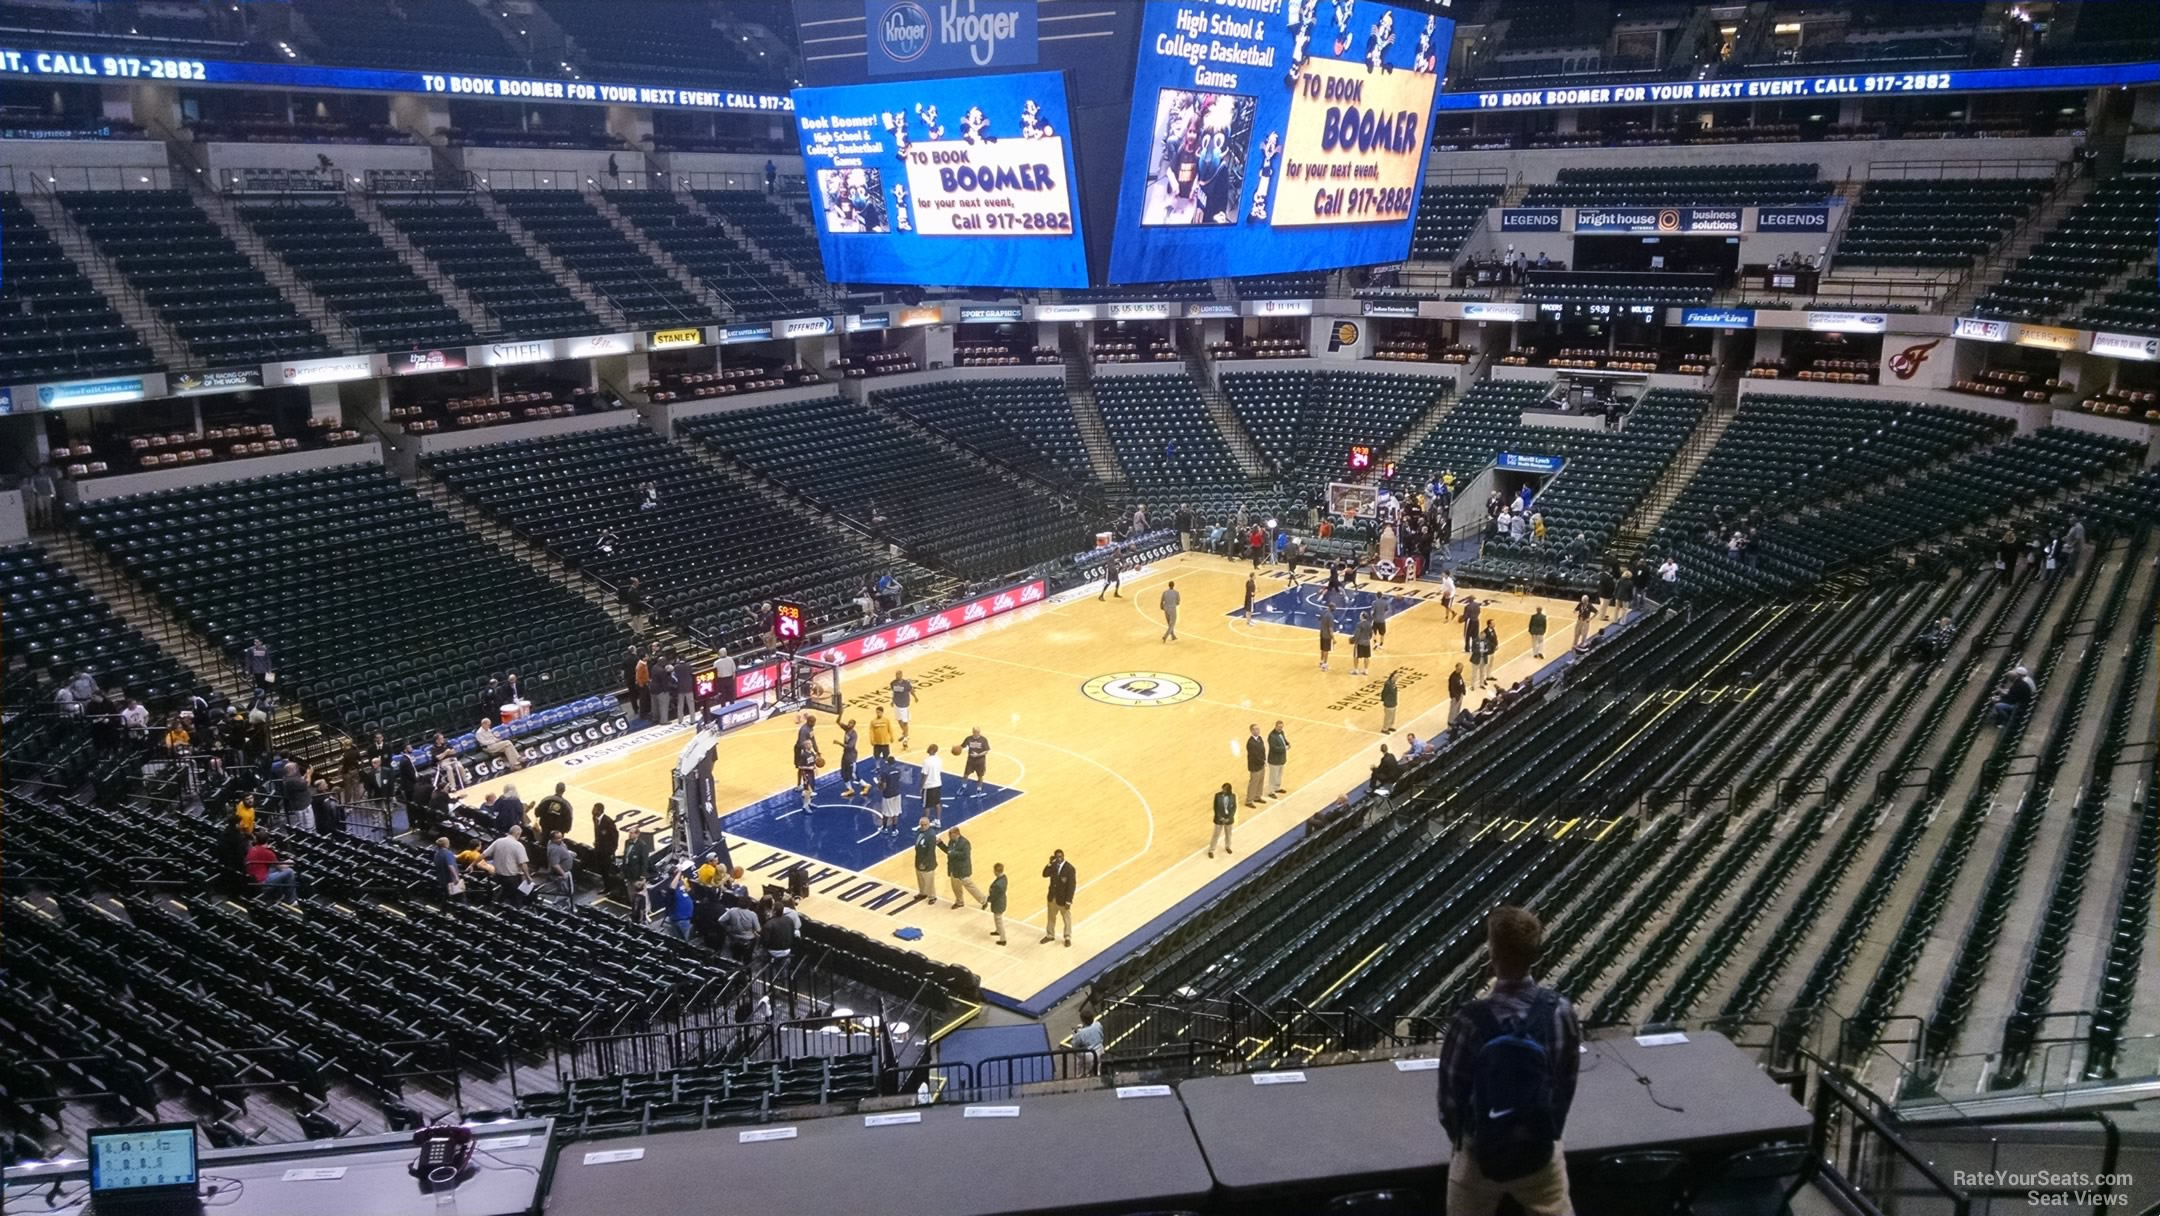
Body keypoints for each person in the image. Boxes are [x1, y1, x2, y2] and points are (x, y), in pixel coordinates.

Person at [1438, 906, 1582, 1216]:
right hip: (1539, 1151)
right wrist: (1548, 1132)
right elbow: (1565, 1085)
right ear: (1536, 954)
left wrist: (1468, 1142)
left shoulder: (1467, 1021)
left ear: (1492, 953)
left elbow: (1450, 1102)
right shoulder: (1562, 1012)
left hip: (1480, 1156)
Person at [939, 826, 987, 908]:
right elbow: (948, 852)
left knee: (970, 886)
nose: (949, 837)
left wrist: (953, 853)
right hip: (954, 869)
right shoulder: (951, 841)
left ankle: (983, 900)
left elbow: (965, 855)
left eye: (951, 835)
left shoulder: (965, 843)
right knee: (956, 887)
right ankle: (959, 902)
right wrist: (940, 844)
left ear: (956, 834)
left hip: (962, 869)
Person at [485, 825, 531, 903]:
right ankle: (516, 912)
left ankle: (495, 906)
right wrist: (528, 877)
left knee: (505, 891)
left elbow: (484, 854)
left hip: (498, 875)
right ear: (518, 834)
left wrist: (471, 865)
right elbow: (523, 863)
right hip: (511, 876)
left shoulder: (499, 841)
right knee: (517, 895)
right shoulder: (518, 845)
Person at [245, 832, 297, 900]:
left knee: (275, 869)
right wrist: (289, 863)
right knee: (289, 871)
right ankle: (291, 900)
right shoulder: (268, 853)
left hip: (252, 878)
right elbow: (280, 866)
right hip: (262, 881)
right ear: (268, 840)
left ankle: (279, 896)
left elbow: (276, 866)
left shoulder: (252, 849)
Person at [1041, 848, 1076, 946]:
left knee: (1066, 919)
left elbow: (1071, 886)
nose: (1059, 859)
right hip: (1052, 897)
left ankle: (1067, 937)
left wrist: (1069, 901)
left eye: (1060, 857)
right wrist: (1049, 864)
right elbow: (1044, 874)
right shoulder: (1053, 866)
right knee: (1051, 918)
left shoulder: (1069, 869)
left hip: (1063, 899)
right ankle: (1050, 935)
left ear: (1063, 856)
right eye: (1057, 857)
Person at [589, 803, 621, 897]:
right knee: (602, 869)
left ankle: (610, 888)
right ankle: (606, 887)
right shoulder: (594, 818)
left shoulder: (608, 822)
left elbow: (615, 836)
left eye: (594, 809)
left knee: (607, 870)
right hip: (599, 848)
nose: (592, 811)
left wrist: (612, 850)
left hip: (607, 851)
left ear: (600, 810)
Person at [717, 898, 760, 964]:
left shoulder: (732, 910)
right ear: (749, 905)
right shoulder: (752, 914)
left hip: (734, 939)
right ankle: (746, 973)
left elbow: (720, 920)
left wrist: (727, 928)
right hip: (748, 940)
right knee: (747, 960)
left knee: (735, 959)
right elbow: (758, 929)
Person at [911, 816, 943, 898]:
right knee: (920, 879)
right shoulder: (919, 832)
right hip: (918, 859)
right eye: (921, 825)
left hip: (928, 862)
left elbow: (931, 851)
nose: (923, 826)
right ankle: (922, 893)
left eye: (925, 824)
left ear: (929, 824)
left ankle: (932, 896)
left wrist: (925, 863)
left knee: (929, 881)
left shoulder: (931, 835)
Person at [1071, 1003, 1106, 1075]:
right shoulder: (1098, 1024)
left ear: (1082, 1019)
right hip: (1100, 1051)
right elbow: (1102, 1036)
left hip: (1088, 1056)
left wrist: (1075, 1035)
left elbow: (1074, 1046)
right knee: (1097, 1071)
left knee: (1082, 1073)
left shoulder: (1080, 1034)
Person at [956, 726, 990, 798]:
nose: (977, 733)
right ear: (973, 732)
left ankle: (979, 789)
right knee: (965, 775)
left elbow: (986, 751)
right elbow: (962, 746)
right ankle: (963, 787)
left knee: (980, 776)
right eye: (975, 732)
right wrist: (957, 749)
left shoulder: (983, 740)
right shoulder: (968, 739)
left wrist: (978, 755)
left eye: (978, 732)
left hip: (980, 761)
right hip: (970, 760)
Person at [837, 718, 867, 796]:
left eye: (851, 723)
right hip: (845, 755)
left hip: (851, 756)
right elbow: (838, 722)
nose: (849, 724)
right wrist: (840, 713)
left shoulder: (854, 734)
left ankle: (865, 785)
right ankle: (850, 789)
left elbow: (850, 747)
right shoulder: (846, 729)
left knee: (853, 775)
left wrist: (839, 743)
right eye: (849, 722)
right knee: (843, 773)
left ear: (854, 725)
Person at [621, 823, 653, 893]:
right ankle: (632, 903)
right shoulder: (627, 842)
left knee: (639, 893)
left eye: (632, 833)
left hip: (637, 873)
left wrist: (643, 875)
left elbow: (644, 861)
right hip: (628, 872)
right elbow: (625, 856)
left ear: (637, 834)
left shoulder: (642, 845)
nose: (630, 834)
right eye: (629, 833)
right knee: (630, 892)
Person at [1209, 781, 1237, 858]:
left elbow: (1234, 808)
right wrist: (1221, 817)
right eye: (1222, 789)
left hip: (1229, 819)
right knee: (1216, 835)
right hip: (1219, 819)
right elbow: (1216, 808)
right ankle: (1211, 850)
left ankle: (1228, 847)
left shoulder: (1233, 796)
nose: (1222, 791)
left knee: (1228, 835)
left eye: (1224, 790)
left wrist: (1229, 818)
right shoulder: (1217, 796)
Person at [544, 830, 576, 898]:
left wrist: (568, 853)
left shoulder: (557, 843)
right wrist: (563, 874)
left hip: (565, 872)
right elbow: (555, 865)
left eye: (561, 837)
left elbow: (562, 850)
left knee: (564, 892)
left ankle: (561, 904)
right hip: (561, 874)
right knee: (566, 892)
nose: (561, 839)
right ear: (552, 839)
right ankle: (559, 905)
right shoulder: (554, 849)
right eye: (558, 838)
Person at [889, 671, 916, 748]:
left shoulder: (906, 684)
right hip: (897, 704)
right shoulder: (892, 683)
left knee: (905, 722)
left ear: (901, 675)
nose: (897, 676)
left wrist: (915, 697)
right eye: (896, 674)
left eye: (898, 674)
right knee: (899, 720)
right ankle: (905, 734)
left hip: (904, 705)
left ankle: (905, 739)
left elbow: (911, 691)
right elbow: (894, 693)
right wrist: (892, 701)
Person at [878, 759, 905, 832]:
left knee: (886, 813)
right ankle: (894, 830)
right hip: (897, 793)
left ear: (887, 762)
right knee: (895, 813)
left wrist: (879, 786)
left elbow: (884, 786)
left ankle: (884, 828)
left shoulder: (884, 773)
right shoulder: (898, 771)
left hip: (888, 795)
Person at [986, 862, 1009, 945]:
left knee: (999, 920)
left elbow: (994, 896)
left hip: (998, 903)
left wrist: (987, 900)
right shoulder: (1004, 878)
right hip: (1001, 901)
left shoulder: (998, 885)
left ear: (996, 871)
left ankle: (1003, 939)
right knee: (997, 918)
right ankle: (998, 931)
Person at [1244, 724, 1267, 807]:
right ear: (1252, 731)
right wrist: (1262, 761)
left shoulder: (1260, 739)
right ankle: (1249, 800)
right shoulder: (1251, 743)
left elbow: (1262, 750)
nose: (1257, 731)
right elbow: (1255, 755)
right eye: (1255, 729)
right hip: (1255, 766)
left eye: (1258, 729)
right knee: (1253, 783)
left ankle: (1257, 796)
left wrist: (1264, 760)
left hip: (1261, 764)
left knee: (1260, 781)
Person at [1266, 721, 1290, 797]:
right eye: (1279, 727)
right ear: (1276, 726)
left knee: (1279, 775)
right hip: (1274, 760)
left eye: (1281, 727)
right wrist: (1285, 748)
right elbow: (1274, 748)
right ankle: (1271, 791)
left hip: (1281, 759)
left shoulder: (1281, 732)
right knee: (1273, 776)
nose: (1280, 728)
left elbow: (1284, 740)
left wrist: (1287, 743)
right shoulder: (1271, 736)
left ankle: (1277, 788)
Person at [919, 743, 944, 817]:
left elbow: (925, 775)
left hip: (929, 786)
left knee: (926, 806)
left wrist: (921, 787)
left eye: (929, 747)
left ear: (932, 750)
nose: (928, 748)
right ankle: (938, 821)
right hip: (938, 784)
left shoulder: (927, 761)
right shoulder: (939, 760)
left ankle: (925, 822)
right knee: (937, 803)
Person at [1351, 610, 1373, 676]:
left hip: (1359, 643)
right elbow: (1371, 634)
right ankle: (1366, 670)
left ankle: (1356, 670)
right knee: (1366, 656)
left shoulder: (1359, 624)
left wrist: (1353, 639)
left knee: (1356, 656)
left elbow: (1357, 634)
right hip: (1367, 643)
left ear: (1362, 617)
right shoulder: (1369, 624)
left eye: (1360, 615)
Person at [1480, 621, 1499, 687]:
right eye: (1493, 623)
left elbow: (1495, 638)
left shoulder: (1493, 630)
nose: (1494, 624)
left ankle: (1489, 676)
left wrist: (1496, 645)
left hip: (1492, 651)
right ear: (1489, 624)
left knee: (1490, 664)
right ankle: (1483, 679)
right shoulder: (1485, 632)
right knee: (1485, 666)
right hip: (1487, 652)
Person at [1318, 606, 1335, 672]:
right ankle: (1324, 665)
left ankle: (1321, 661)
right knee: (1326, 650)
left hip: (1322, 633)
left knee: (1322, 648)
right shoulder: (1330, 616)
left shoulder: (1323, 612)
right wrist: (1333, 638)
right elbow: (1330, 628)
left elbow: (1319, 619)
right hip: (1327, 635)